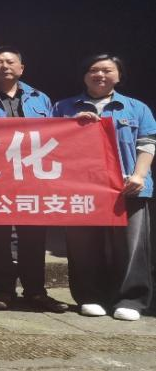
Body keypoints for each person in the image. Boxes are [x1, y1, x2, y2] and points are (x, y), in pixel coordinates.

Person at [0, 47, 69, 313]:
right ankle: (2, 291)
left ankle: (36, 292)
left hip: (32, 178)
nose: (4, 66)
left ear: (22, 68)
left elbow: (57, 135)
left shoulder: (40, 98)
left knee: (34, 238)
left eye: (10, 62)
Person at [54, 54, 155, 321]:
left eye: (108, 70)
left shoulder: (136, 107)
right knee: (82, 244)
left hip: (127, 186)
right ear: (84, 75)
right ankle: (89, 296)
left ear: (119, 76)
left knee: (131, 245)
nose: (100, 75)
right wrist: (71, 126)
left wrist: (140, 175)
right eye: (93, 70)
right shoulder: (63, 106)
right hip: (81, 188)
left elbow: (147, 143)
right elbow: (50, 144)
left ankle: (131, 299)